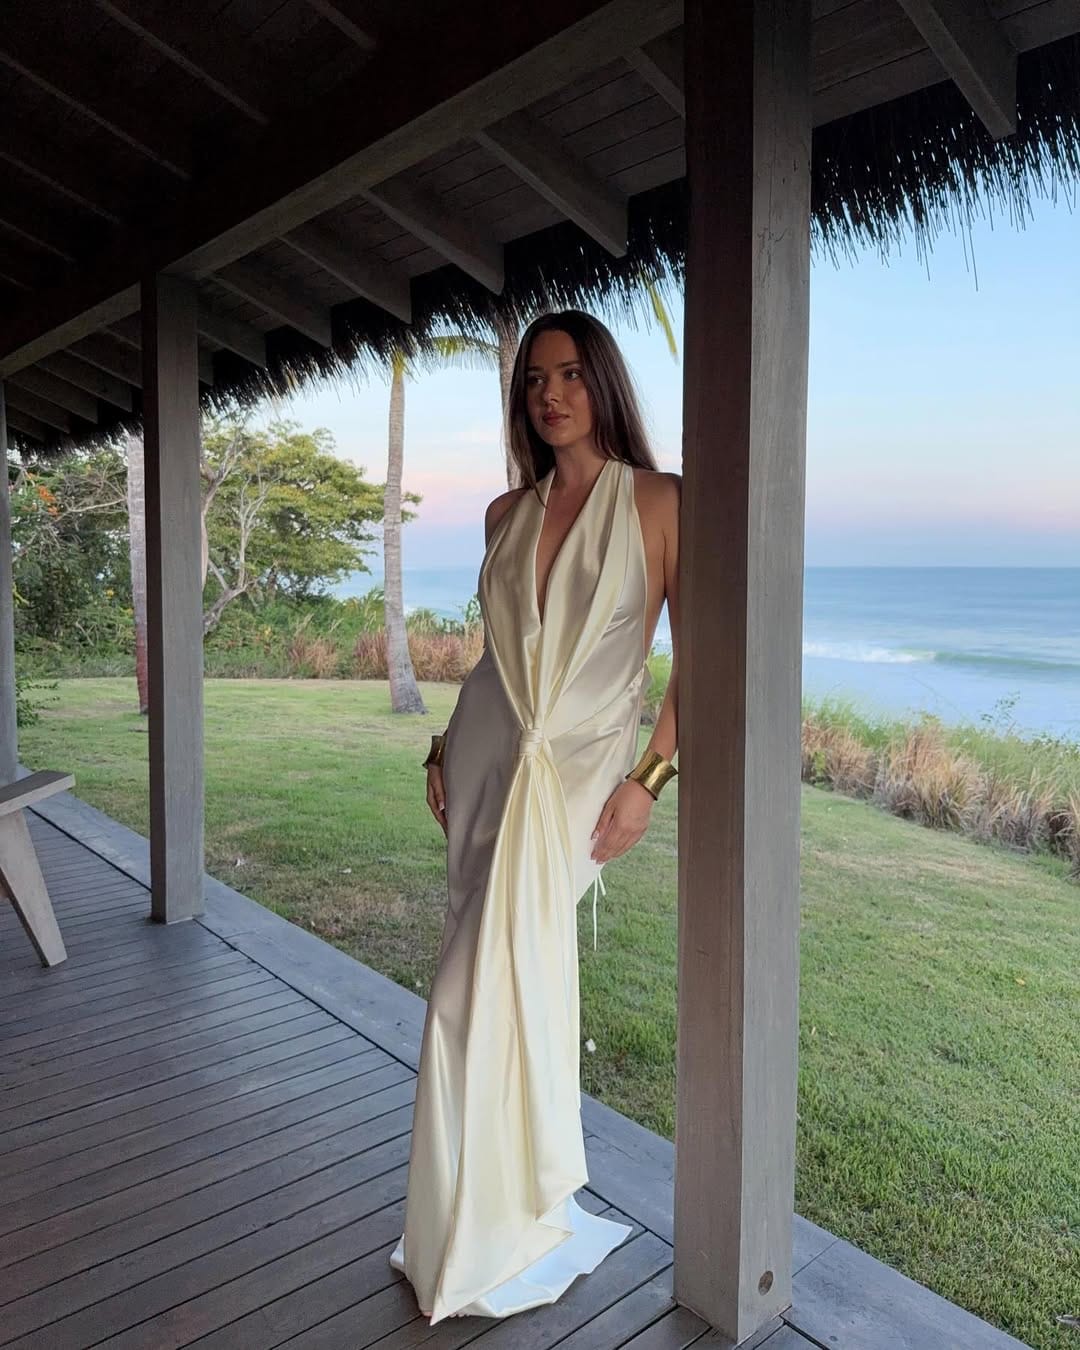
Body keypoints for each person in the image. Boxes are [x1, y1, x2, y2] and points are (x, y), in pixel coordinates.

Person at [389, 310, 680, 1323]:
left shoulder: (659, 500)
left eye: (569, 374)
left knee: (476, 989)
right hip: (485, 756)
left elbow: (703, 654)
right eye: (533, 380)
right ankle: (481, 1217)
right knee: (489, 983)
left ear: (603, 382)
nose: (550, 394)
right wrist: (441, 743)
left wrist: (651, 778)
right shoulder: (504, 513)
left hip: (579, 776)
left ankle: (494, 1222)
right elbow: (497, 658)